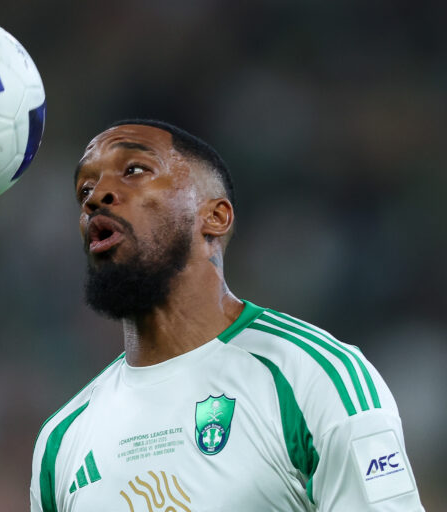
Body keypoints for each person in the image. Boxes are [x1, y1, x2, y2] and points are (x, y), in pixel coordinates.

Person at [29, 120, 423, 511]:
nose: (96, 197)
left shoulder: (313, 377)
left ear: (215, 217)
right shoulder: (61, 441)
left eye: (134, 170)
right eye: (85, 189)